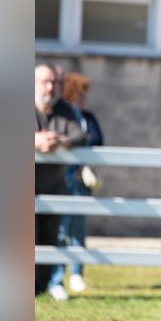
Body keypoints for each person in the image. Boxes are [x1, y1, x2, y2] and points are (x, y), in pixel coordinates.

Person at [35, 63, 87, 300]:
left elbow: (81, 136)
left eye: (53, 82)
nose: (50, 87)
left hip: (54, 188)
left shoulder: (65, 110)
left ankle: (48, 285)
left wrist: (61, 141)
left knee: (52, 237)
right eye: (45, 82)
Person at [49, 73, 104, 295]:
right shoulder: (63, 115)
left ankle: (77, 273)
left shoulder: (87, 117)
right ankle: (56, 277)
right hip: (63, 176)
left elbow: (96, 139)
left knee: (78, 228)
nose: (83, 99)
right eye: (79, 95)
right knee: (61, 228)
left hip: (82, 178)